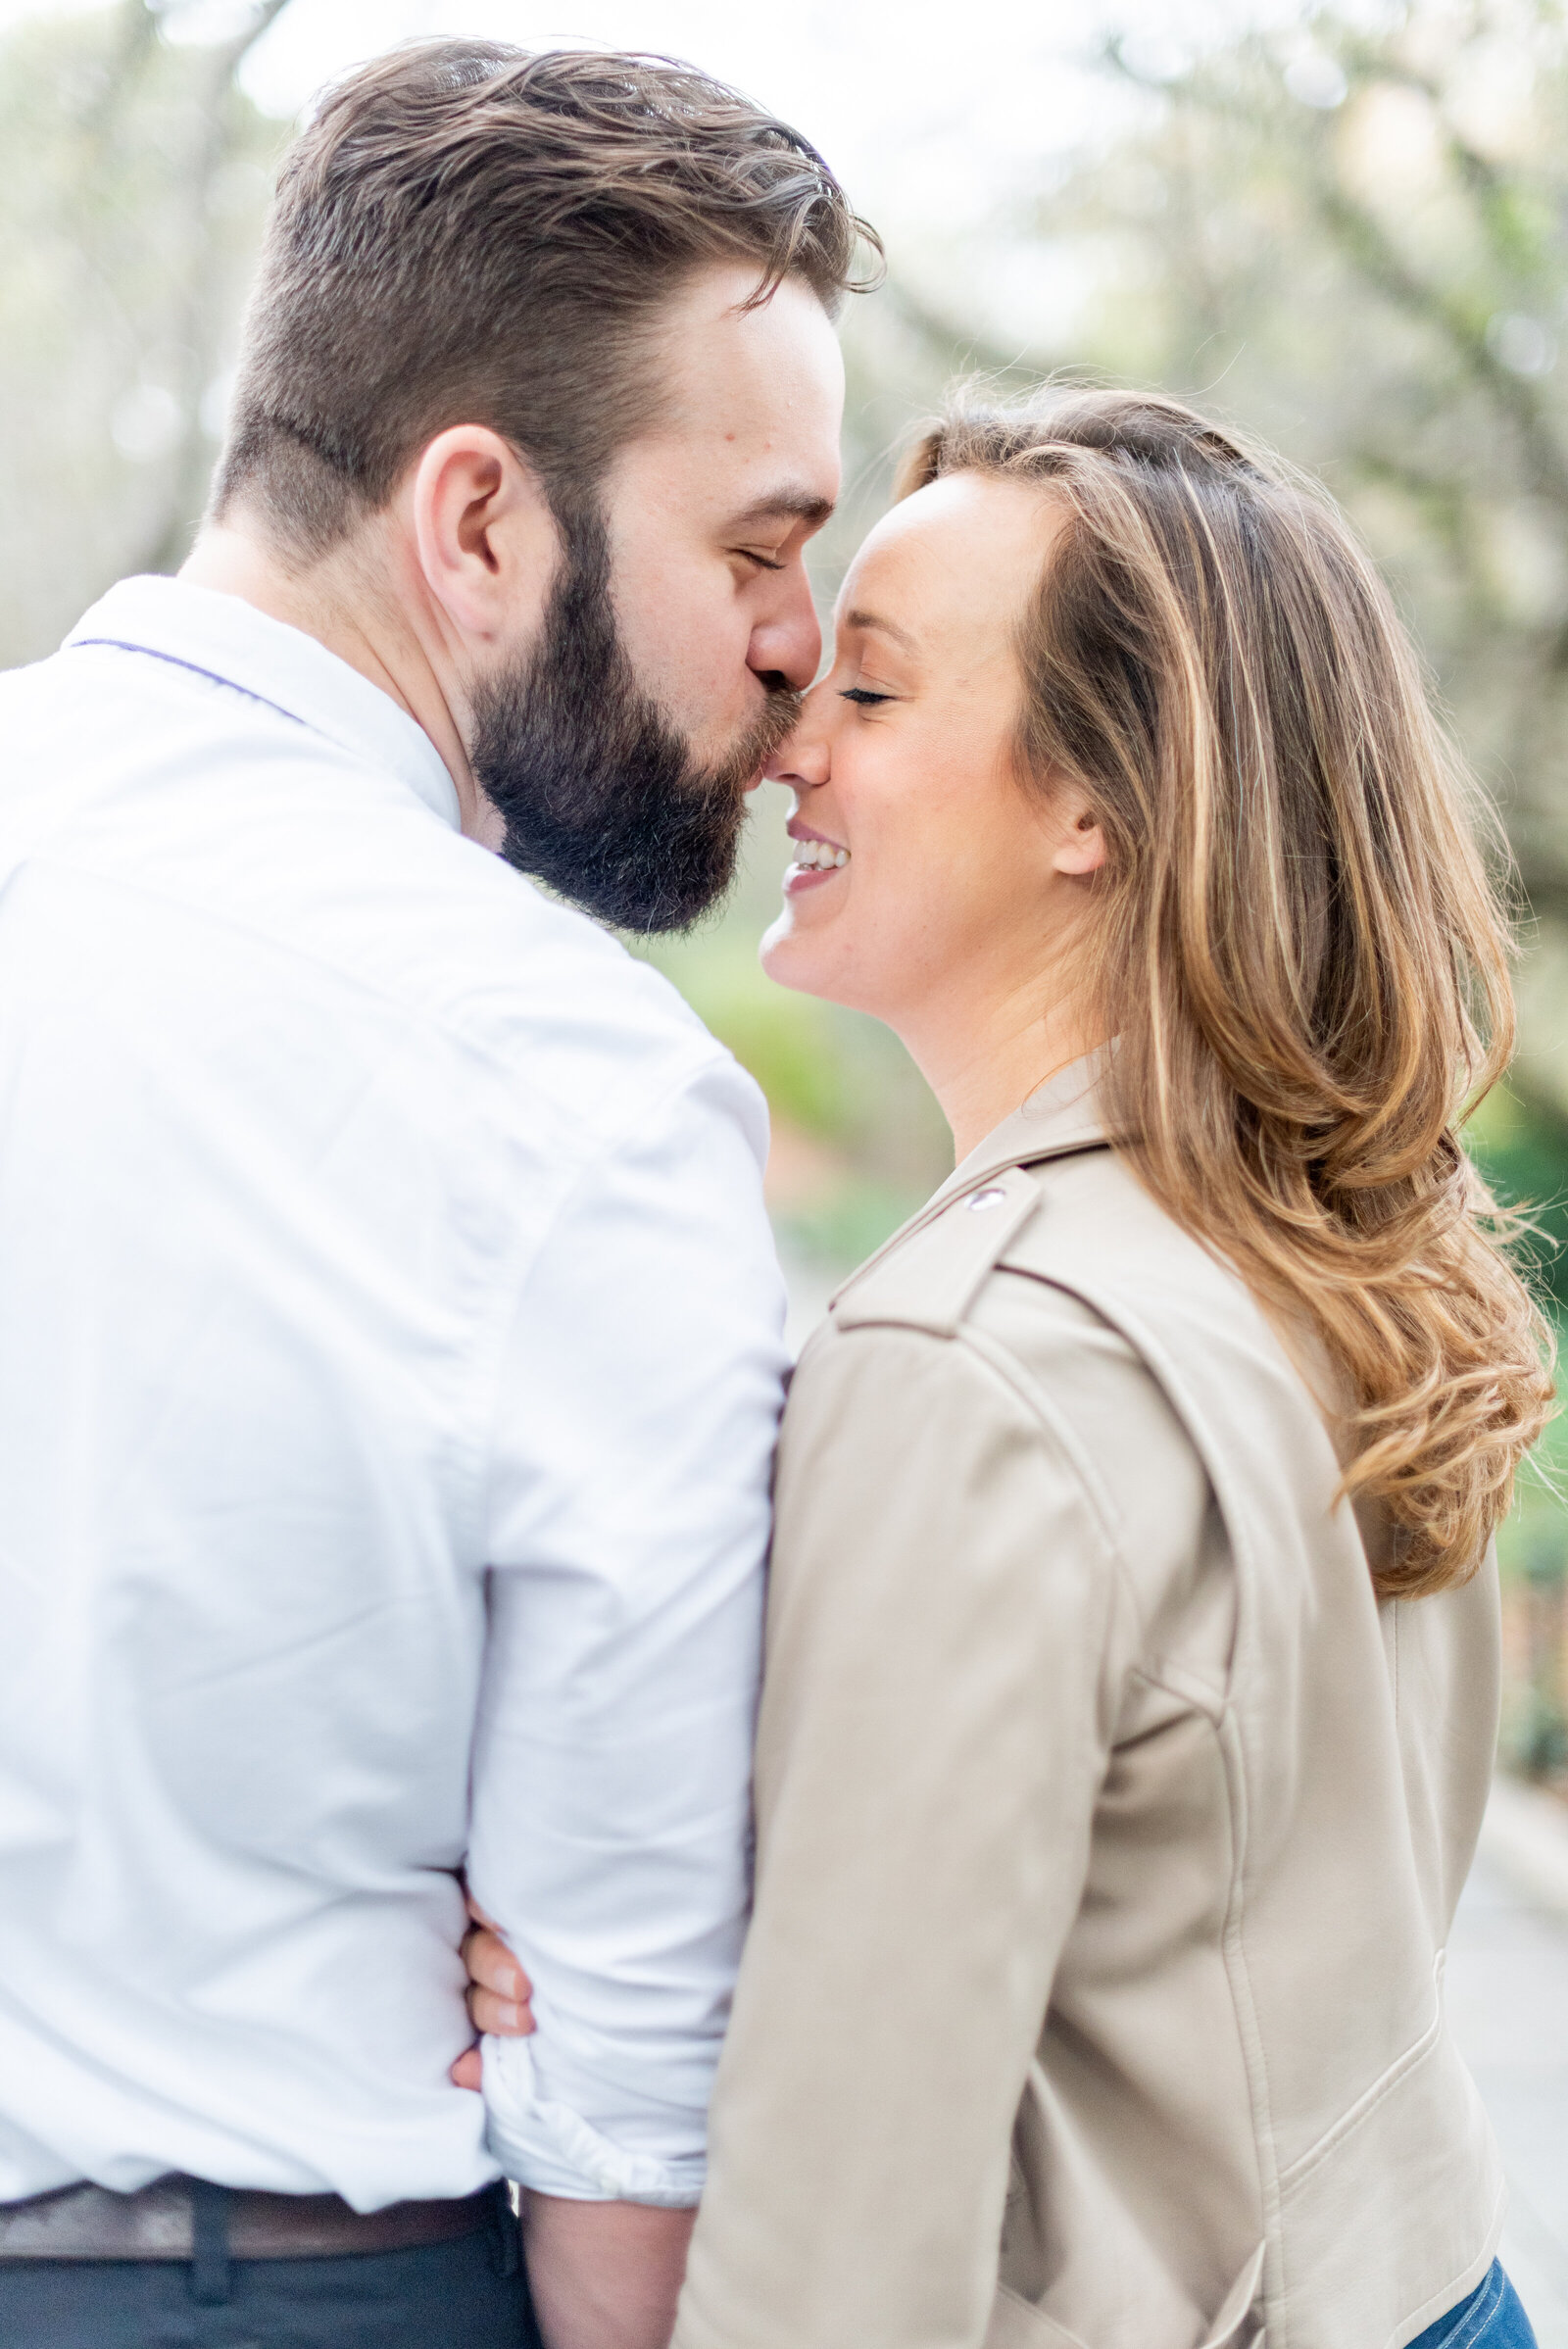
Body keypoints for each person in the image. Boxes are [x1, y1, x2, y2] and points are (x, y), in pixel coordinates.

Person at [468, 390, 1550, 2348]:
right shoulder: (1349, 1252)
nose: (785, 743)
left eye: (868, 697)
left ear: (1094, 800)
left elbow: (834, 2263)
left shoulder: (972, 1358)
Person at [0, 39, 871, 2349]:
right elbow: (624, 2058)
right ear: (476, 520)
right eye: (761, 546)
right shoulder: (573, 1080)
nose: (800, 648)